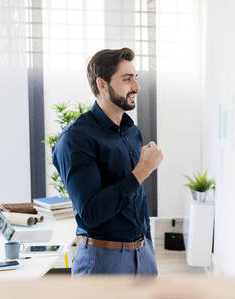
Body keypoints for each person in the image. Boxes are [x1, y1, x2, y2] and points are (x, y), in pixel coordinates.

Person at [52, 48, 163, 276]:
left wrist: (147, 251)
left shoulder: (132, 132)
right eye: (127, 79)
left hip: (143, 258)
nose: (136, 86)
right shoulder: (75, 139)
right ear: (102, 85)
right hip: (102, 262)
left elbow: (136, 200)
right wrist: (143, 170)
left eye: (135, 78)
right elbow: (91, 213)